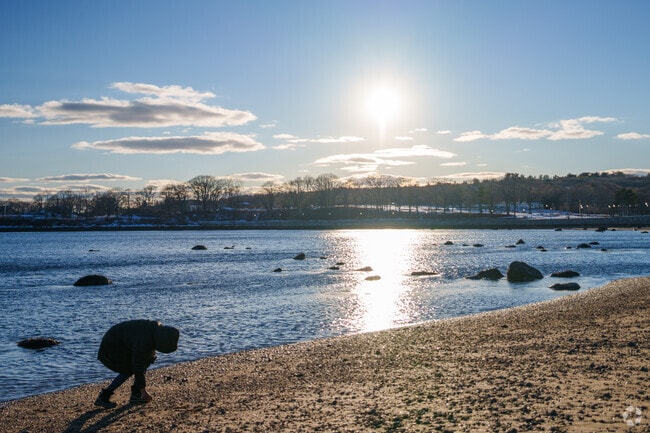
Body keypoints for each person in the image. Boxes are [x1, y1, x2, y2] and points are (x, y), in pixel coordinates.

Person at [94, 319, 179, 408]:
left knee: (148, 359)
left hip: (124, 344)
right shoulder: (144, 340)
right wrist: (143, 391)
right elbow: (137, 364)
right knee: (129, 370)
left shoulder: (154, 332)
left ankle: (136, 395)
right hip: (111, 347)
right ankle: (104, 397)